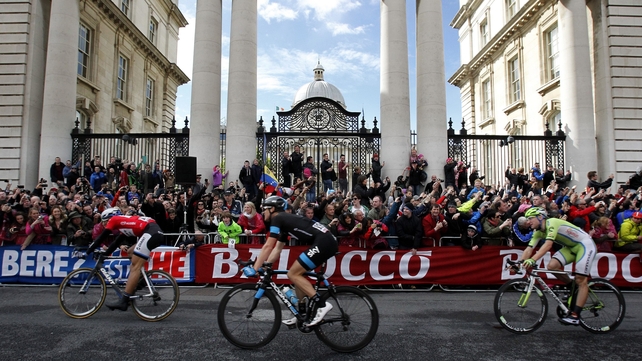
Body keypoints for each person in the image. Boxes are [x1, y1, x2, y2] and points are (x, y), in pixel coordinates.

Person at [245, 196, 338, 327]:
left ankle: (322, 305)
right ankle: (302, 314)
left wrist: (255, 268)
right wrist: (267, 265)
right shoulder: (284, 222)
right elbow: (277, 248)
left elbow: (268, 246)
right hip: (325, 241)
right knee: (297, 274)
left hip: (324, 242)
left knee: (293, 274)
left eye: (264, 209)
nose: (262, 213)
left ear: (272, 209)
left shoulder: (278, 218)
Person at [521, 207, 597, 325]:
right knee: (551, 266)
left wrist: (532, 260)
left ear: (540, 217)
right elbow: (529, 249)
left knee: (581, 279)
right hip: (571, 247)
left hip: (585, 245)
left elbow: (548, 245)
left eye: (530, 218)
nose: (528, 221)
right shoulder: (538, 232)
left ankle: (575, 315)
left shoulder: (552, 223)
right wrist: (520, 263)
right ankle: (573, 287)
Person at [87, 208, 165, 311]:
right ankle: (141, 279)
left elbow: (101, 237)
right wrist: (105, 254)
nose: (104, 225)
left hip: (151, 233)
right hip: (154, 232)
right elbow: (115, 243)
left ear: (109, 218)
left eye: (104, 222)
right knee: (130, 252)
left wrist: (87, 251)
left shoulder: (114, 219)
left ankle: (124, 300)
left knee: (135, 267)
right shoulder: (124, 224)